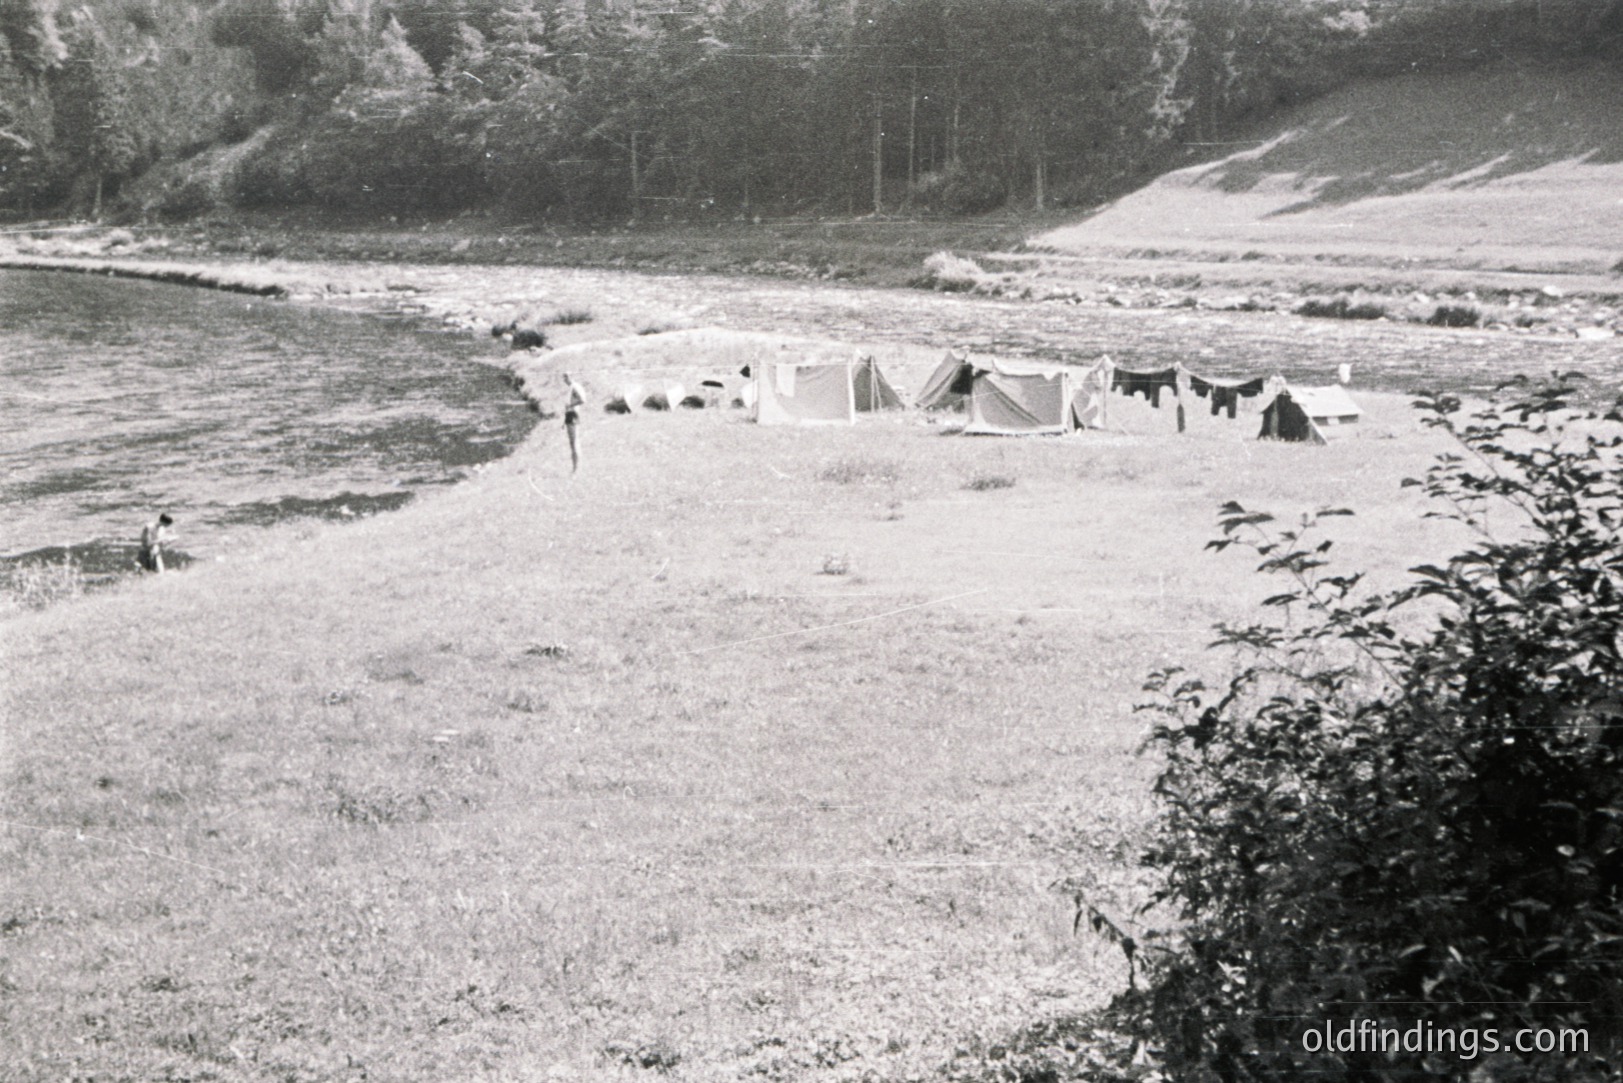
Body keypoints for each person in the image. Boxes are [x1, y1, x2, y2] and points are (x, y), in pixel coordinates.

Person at [562, 372, 587, 475]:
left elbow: (582, 400)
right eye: (564, 377)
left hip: (573, 415)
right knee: (572, 443)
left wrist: (571, 405)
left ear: (571, 377)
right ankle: (575, 468)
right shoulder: (572, 387)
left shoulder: (575, 387)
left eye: (566, 377)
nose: (565, 380)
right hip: (570, 415)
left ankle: (576, 469)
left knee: (574, 442)